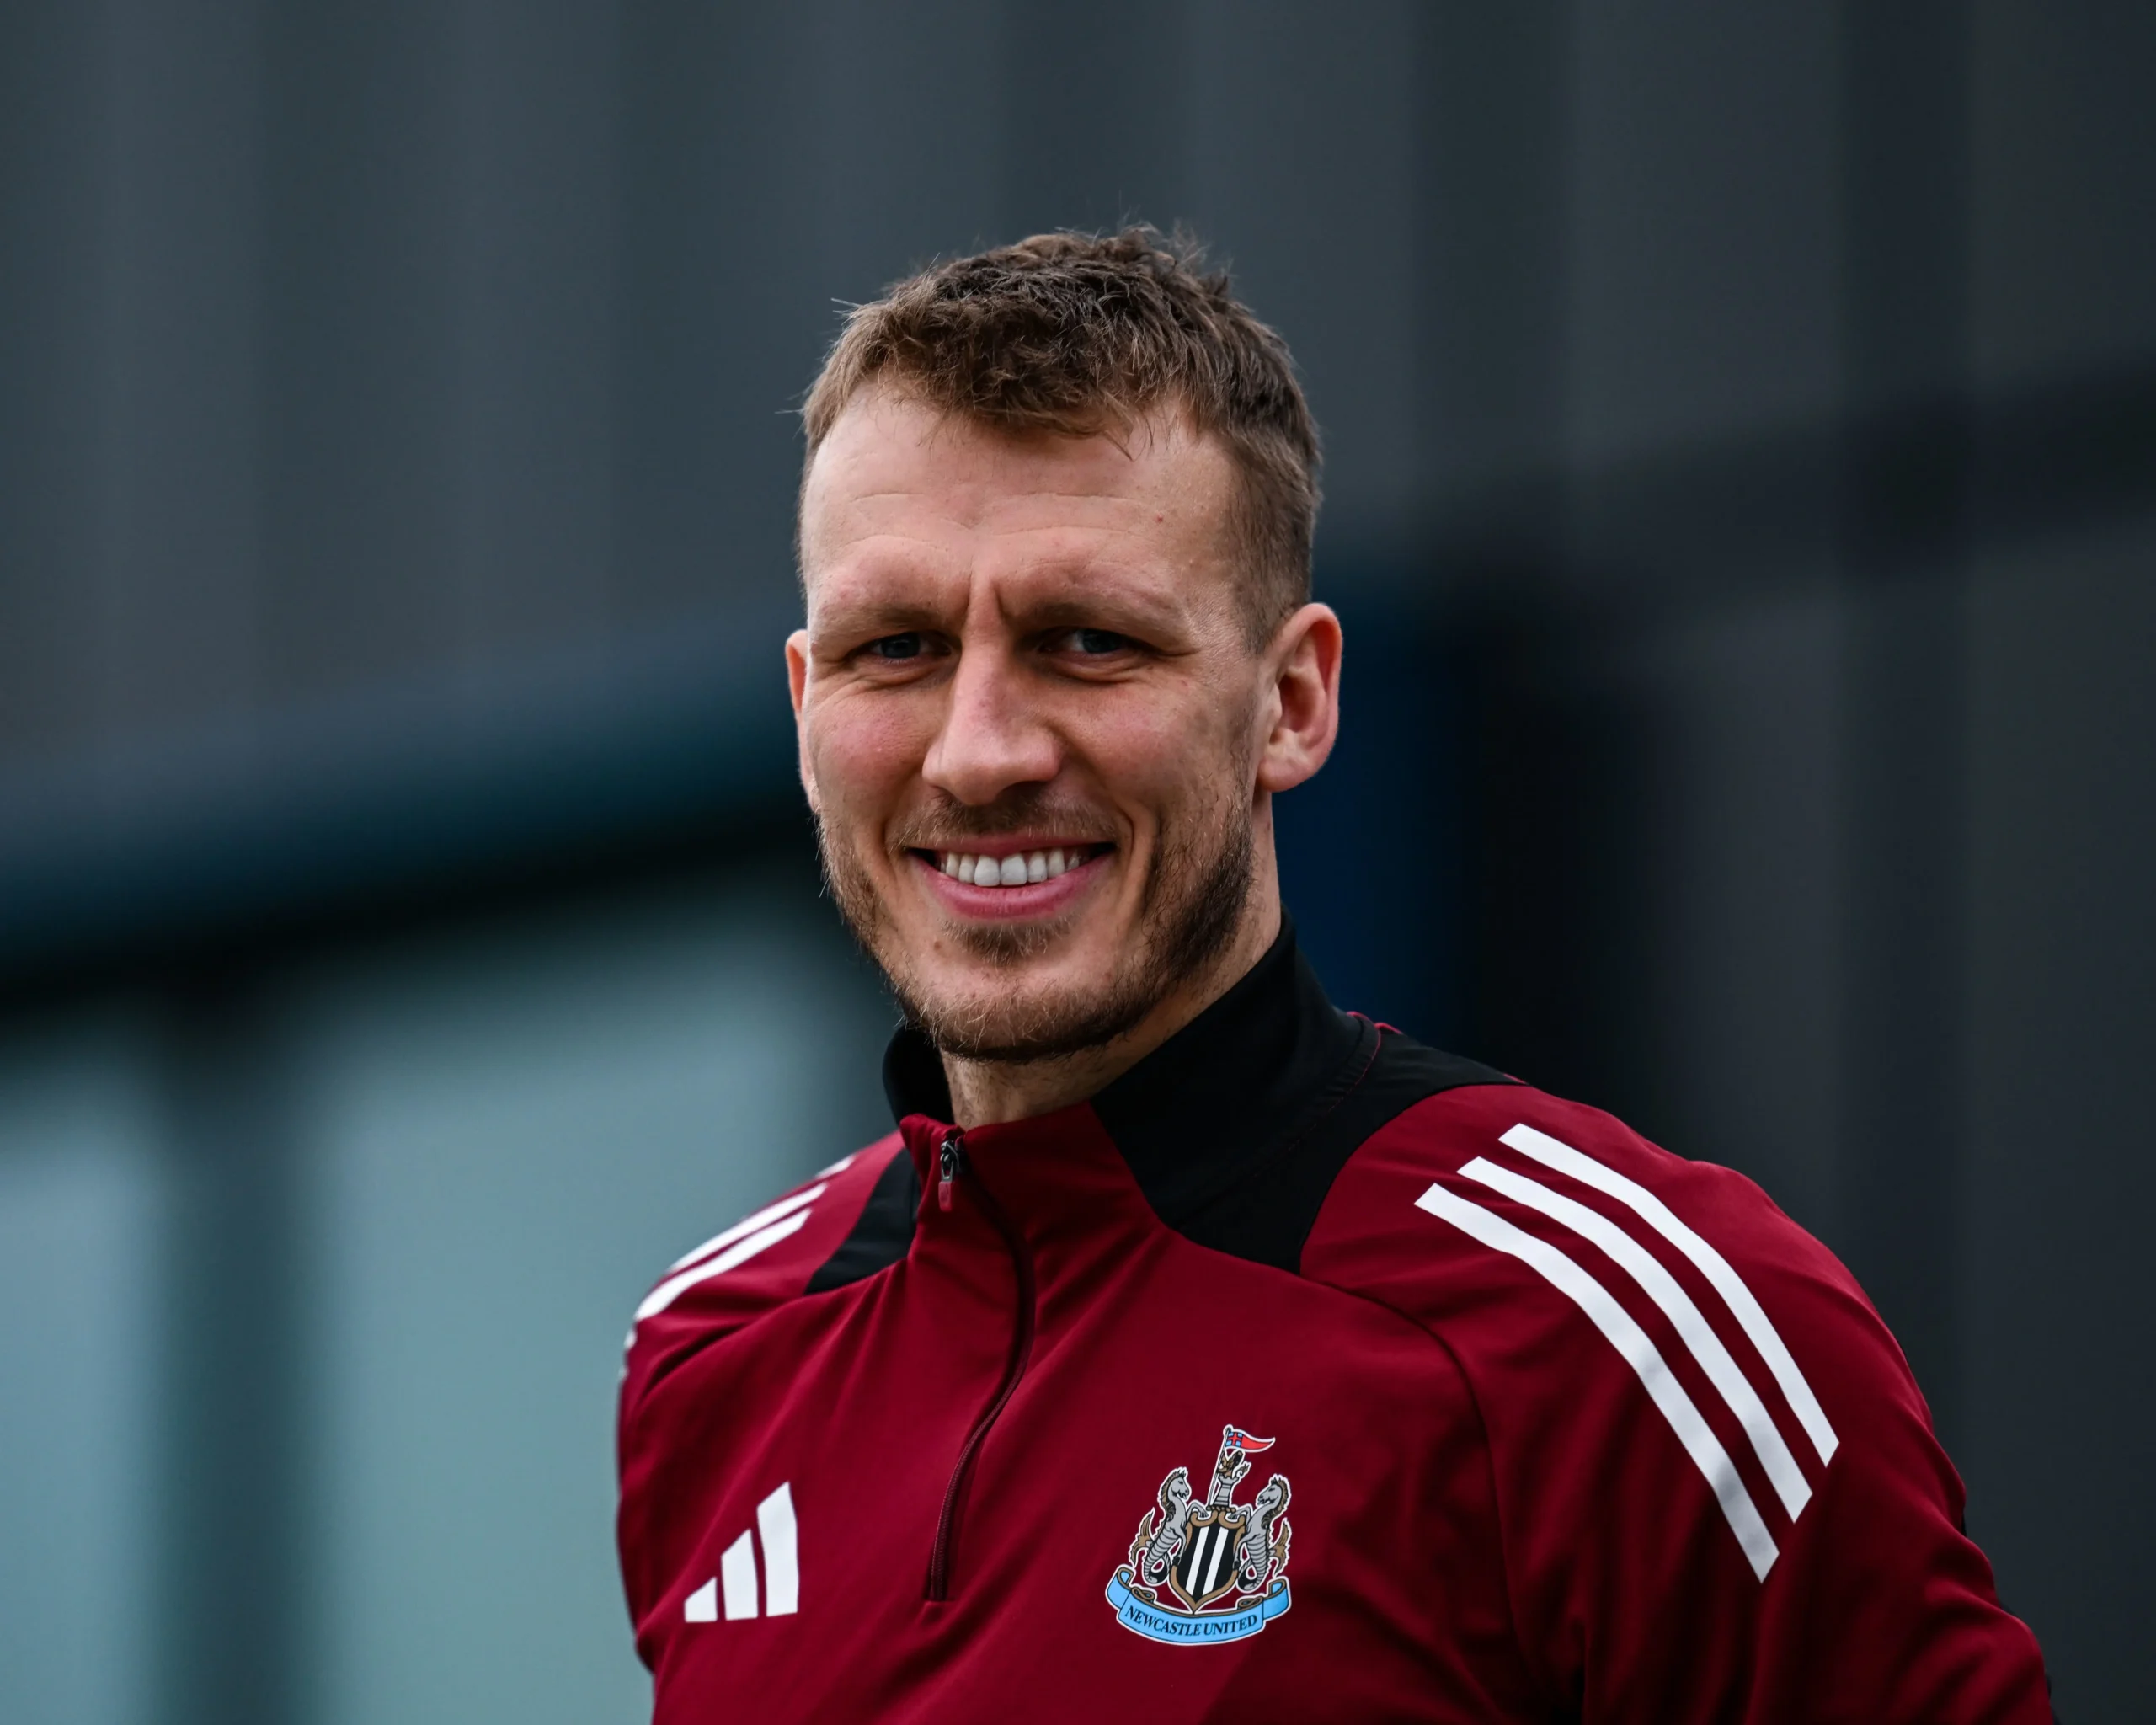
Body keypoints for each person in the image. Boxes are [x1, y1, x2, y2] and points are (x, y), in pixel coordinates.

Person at [616, 228, 2051, 1721]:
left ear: (1292, 701)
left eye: (1089, 641)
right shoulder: (712, 1353)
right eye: (897, 648)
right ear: (806, 712)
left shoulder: (1618, 1326)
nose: (980, 753)